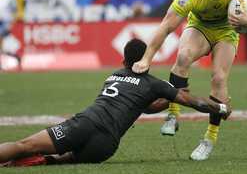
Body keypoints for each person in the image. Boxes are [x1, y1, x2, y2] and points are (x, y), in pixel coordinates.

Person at [0, 38, 231, 167]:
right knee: (62, 160)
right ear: (147, 59)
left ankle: (28, 157)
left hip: (86, 124)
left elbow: (138, 103)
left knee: (25, 144)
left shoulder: (114, 75)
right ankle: (44, 161)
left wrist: (170, 96)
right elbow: (189, 103)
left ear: (124, 60)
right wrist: (220, 107)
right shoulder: (153, 84)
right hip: (106, 146)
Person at [132, 0, 247, 161]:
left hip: (226, 32)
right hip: (200, 27)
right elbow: (167, 26)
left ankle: (209, 139)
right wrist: (146, 59)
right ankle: (173, 114)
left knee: (219, 78)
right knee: (183, 57)